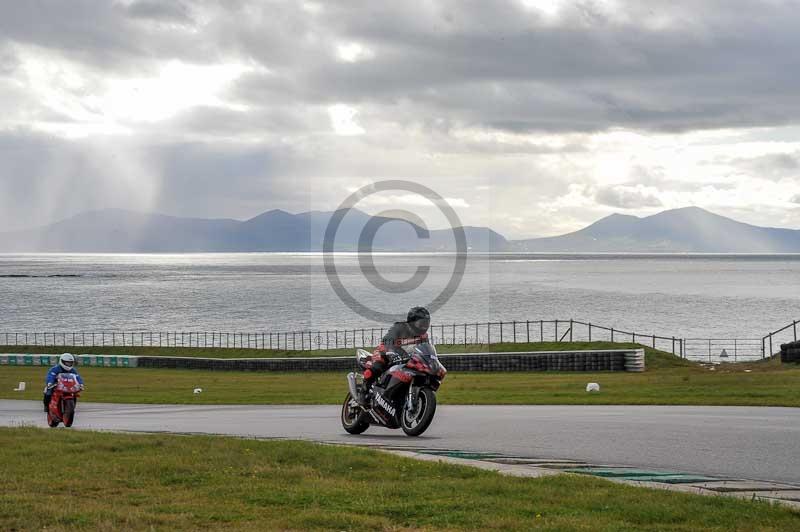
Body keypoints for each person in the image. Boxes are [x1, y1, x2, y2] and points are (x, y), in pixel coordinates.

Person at [359, 306, 431, 404]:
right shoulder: (400, 327)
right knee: (379, 364)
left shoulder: (424, 337)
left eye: (426, 323)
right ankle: (363, 391)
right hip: (386, 351)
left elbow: (425, 349)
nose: (424, 326)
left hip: (406, 358)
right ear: (412, 321)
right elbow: (387, 340)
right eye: (421, 323)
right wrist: (395, 352)